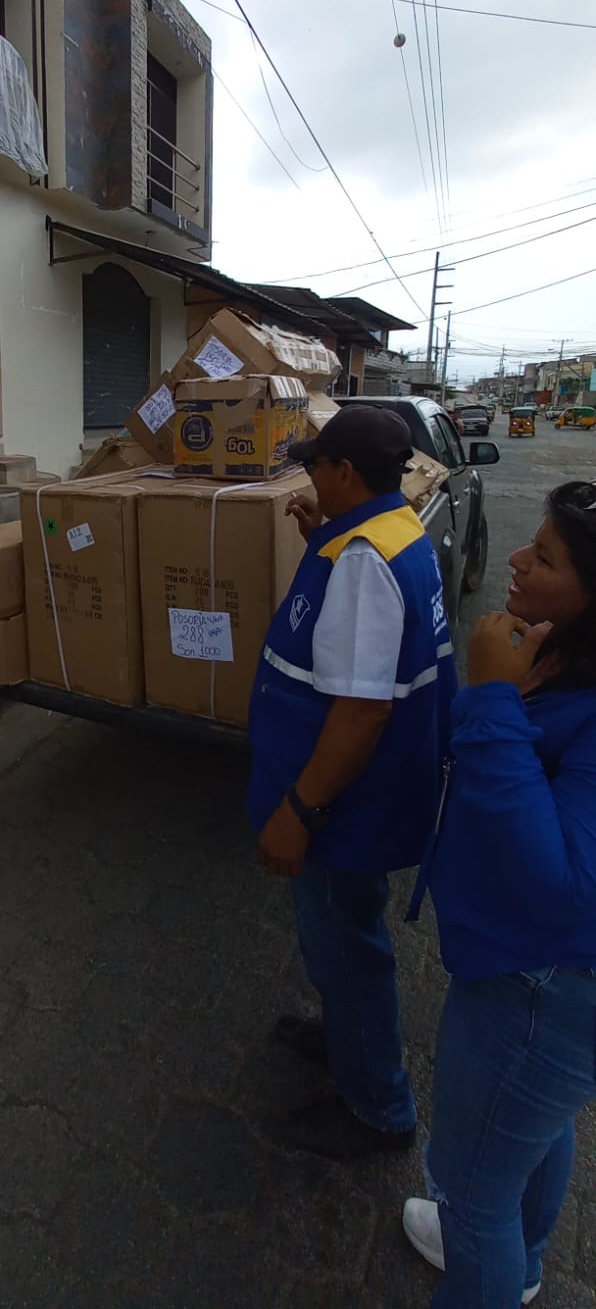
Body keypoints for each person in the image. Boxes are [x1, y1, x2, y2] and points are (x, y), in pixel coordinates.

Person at [402, 480, 596, 1307]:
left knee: (471, 1190)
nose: (515, 558)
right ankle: (523, 1264)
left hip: (542, 990)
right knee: (535, 1129)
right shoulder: (566, 655)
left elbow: (562, 888)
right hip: (529, 975)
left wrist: (488, 699)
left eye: (543, 557)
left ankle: (490, 1258)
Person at [248, 405, 457, 1160]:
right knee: (341, 934)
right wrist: (320, 541)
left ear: (344, 472)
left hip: (340, 806)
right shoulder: (393, 530)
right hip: (364, 794)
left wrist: (299, 812)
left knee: (345, 942)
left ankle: (377, 1107)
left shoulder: (365, 561)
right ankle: (347, 1035)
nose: (308, 477)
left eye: (315, 466)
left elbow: (362, 712)